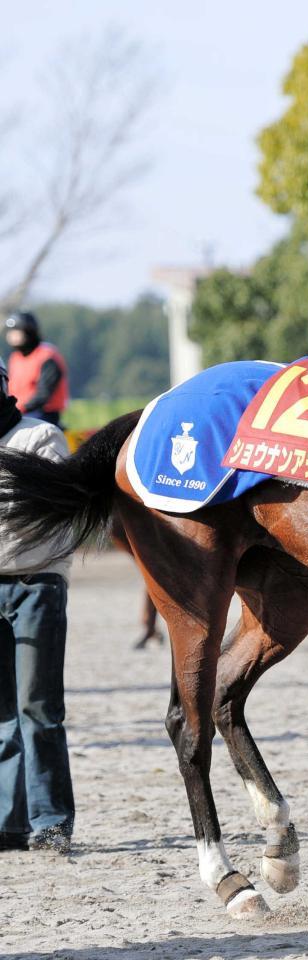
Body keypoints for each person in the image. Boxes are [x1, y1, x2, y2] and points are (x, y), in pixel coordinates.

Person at [0, 356, 74, 853]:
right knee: (3, 712)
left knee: (38, 706)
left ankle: (51, 819)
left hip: (35, 584)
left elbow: (53, 516)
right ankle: (9, 822)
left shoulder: (38, 439)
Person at [4, 311, 69, 427]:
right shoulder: (15, 357)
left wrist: (17, 409)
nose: (11, 336)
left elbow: (44, 394)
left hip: (43, 414)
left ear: (28, 332)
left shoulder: (47, 356)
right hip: (18, 412)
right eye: (10, 332)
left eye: (16, 332)